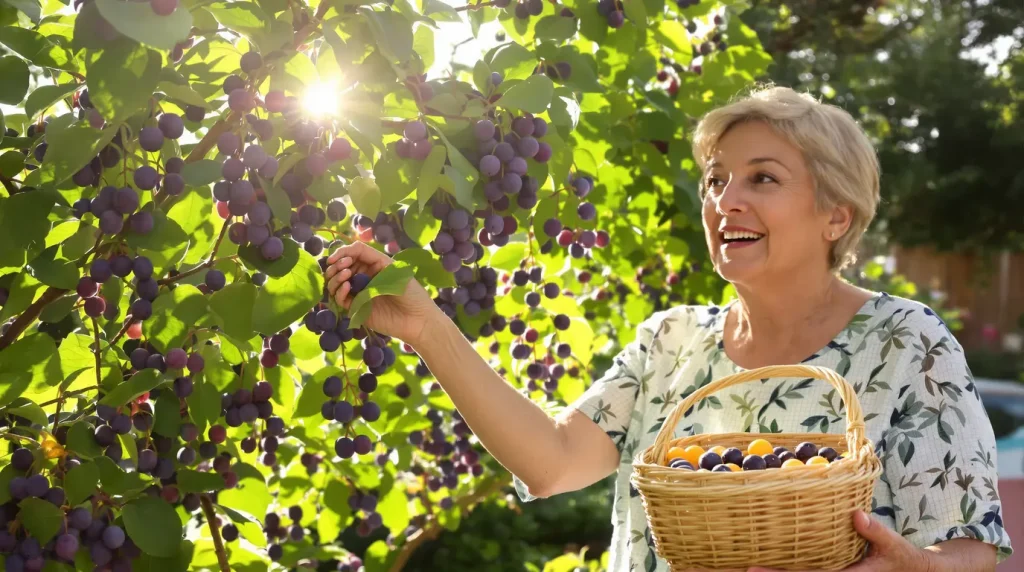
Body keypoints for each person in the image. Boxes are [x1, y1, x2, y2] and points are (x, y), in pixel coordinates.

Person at [324, 84, 1012, 571]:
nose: (724, 200)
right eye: (716, 179)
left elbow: (972, 548)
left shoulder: (904, 343)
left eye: (762, 179)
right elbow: (554, 461)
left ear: (836, 215)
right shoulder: (671, 341)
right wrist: (425, 326)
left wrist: (915, 567)